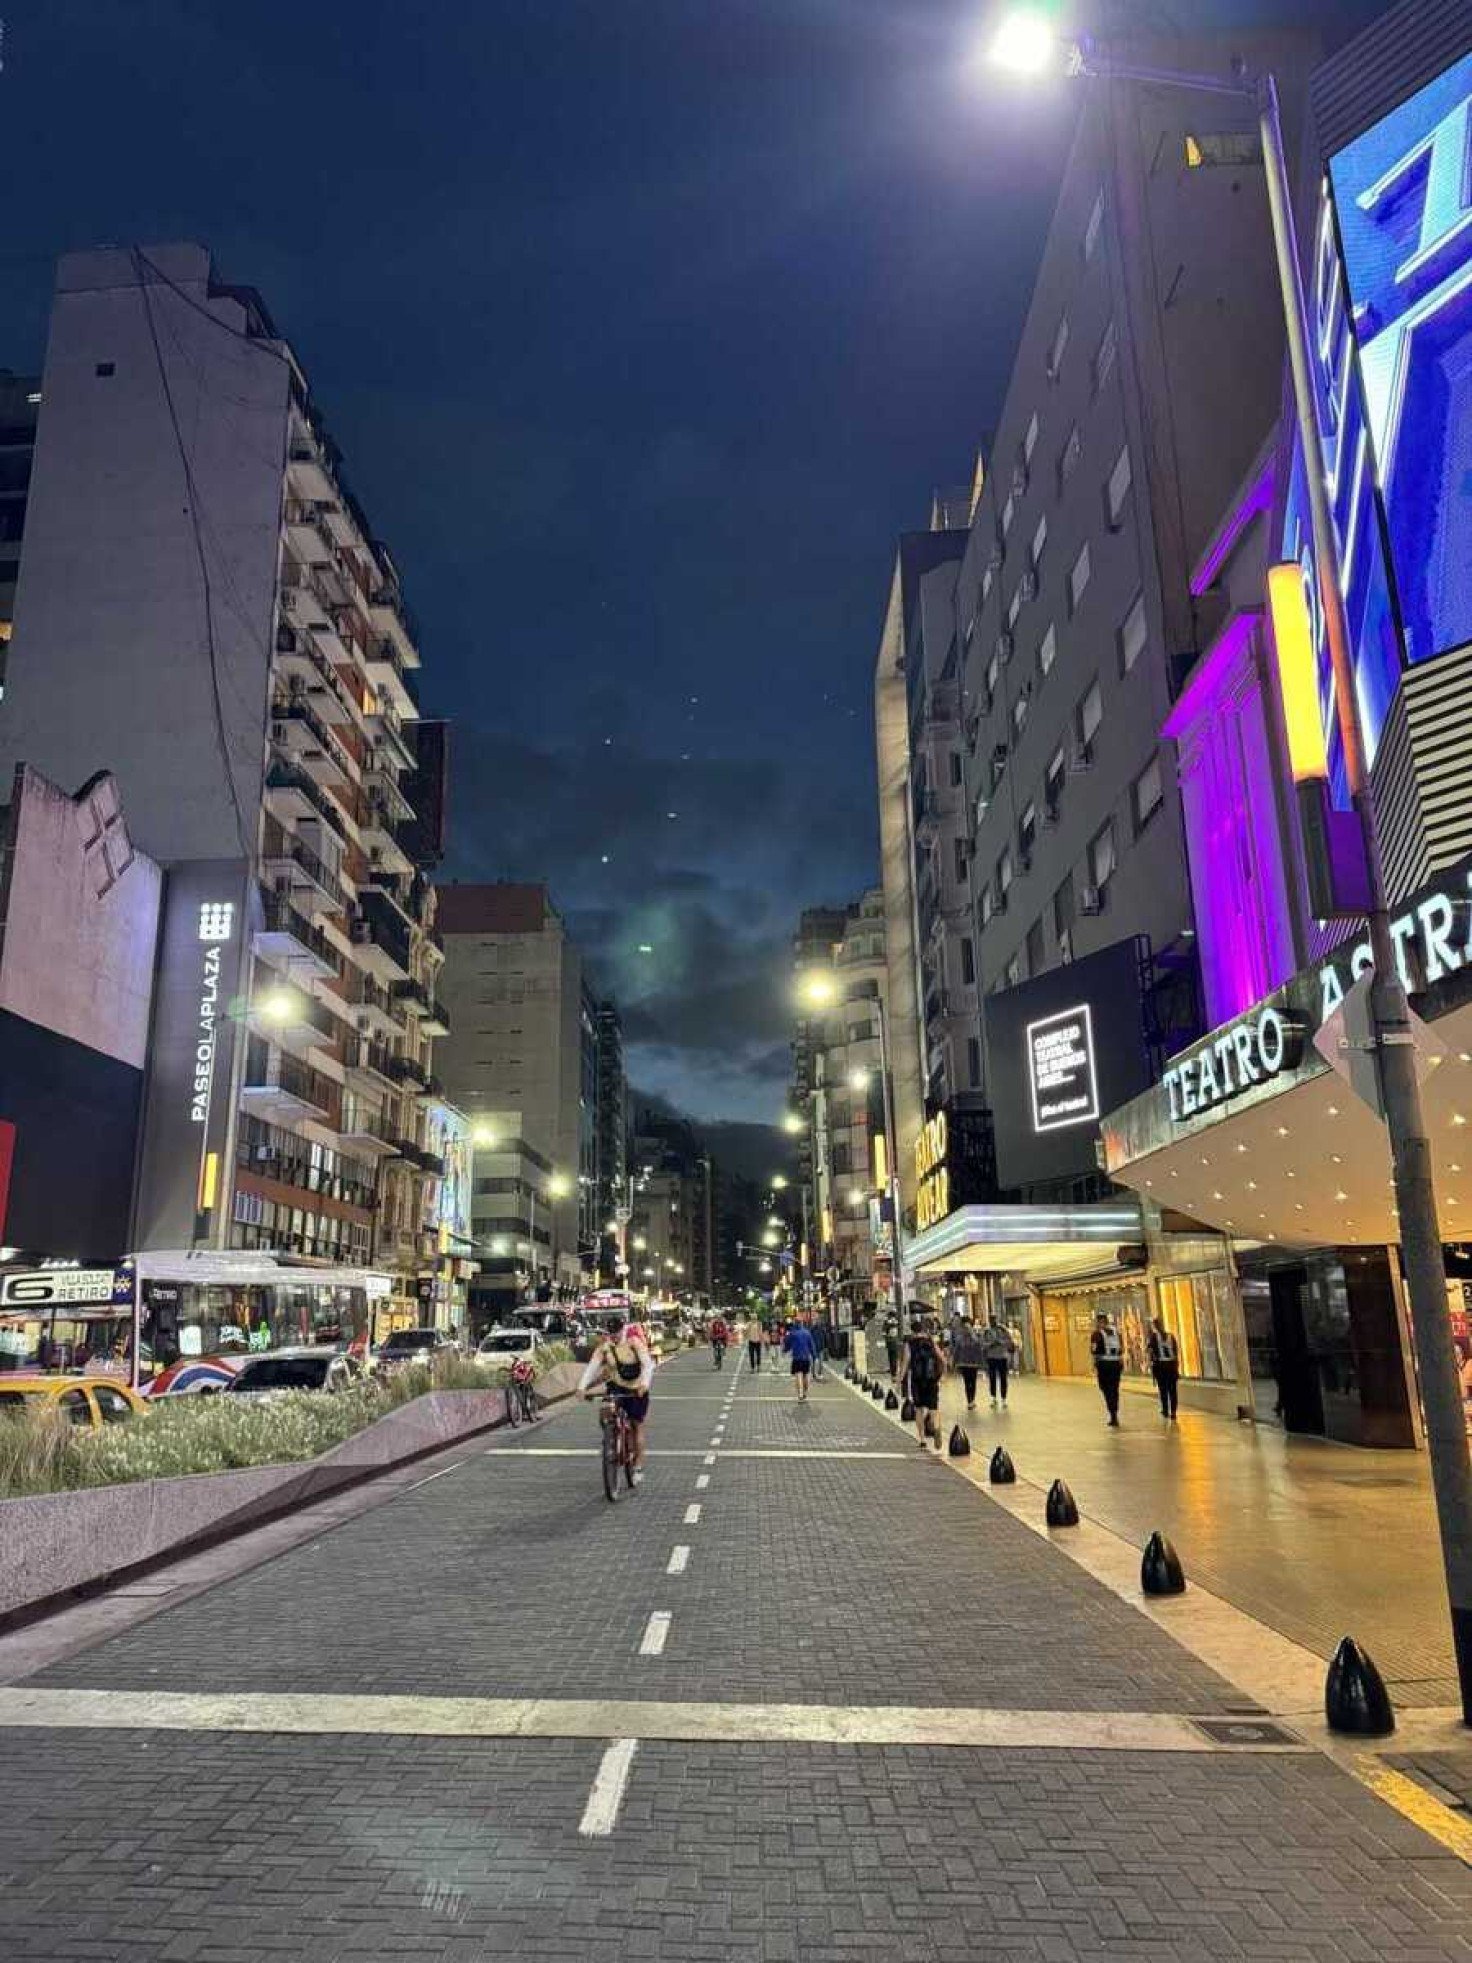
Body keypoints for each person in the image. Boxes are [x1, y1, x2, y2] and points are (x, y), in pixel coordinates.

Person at [578, 1319, 655, 1483]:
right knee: (606, 1410)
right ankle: (610, 1437)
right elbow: (592, 1367)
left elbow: (648, 1365)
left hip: (636, 1389)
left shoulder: (634, 1343)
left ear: (623, 1330)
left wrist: (644, 1385)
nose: (614, 1336)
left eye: (617, 1332)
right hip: (616, 1387)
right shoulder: (605, 1348)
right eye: (611, 1333)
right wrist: (582, 1387)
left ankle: (638, 1465)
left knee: (636, 1426)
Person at [898, 1316, 944, 1450]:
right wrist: (942, 1375)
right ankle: (936, 1427)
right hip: (931, 1379)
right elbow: (941, 1358)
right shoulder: (930, 1341)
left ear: (912, 1331)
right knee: (933, 1408)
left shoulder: (909, 1343)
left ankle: (922, 1439)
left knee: (919, 1409)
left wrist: (900, 1379)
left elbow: (906, 1362)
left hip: (917, 1380)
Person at [1090, 1309, 1124, 1427]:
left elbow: (1094, 1350)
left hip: (1104, 1365)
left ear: (1099, 1321)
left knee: (1105, 1388)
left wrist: (1094, 1364)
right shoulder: (1116, 1332)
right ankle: (1115, 1412)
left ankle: (1113, 1414)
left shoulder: (1096, 1334)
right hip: (1116, 1364)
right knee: (1114, 1389)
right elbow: (1121, 1348)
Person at [949, 1314, 984, 1412]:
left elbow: (957, 1350)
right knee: (971, 1382)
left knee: (969, 1382)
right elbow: (978, 1346)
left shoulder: (964, 1336)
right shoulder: (970, 1335)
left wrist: (954, 1363)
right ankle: (971, 1401)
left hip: (967, 1363)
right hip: (969, 1363)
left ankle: (970, 1400)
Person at [1147, 1315, 1180, 1420]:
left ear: (1154, 1326)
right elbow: (1176, 1351)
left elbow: (1150, 1351)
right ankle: (1173, 1412)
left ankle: (1165, 1410)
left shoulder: (1153, 1337)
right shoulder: (1171, 1336)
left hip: (1160, 1366)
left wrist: (1151, 1362)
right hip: (1171, 1366)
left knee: (1163, 1389)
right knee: (1172, 1390)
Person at [981, 1316, 1016, 1408]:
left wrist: (1000, 1342)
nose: (993, 1321)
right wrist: (990, 1344)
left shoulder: (1003, 1329)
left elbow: (1009, 1341)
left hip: (1002, 1357)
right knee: (992, 1379)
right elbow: (983, 1344)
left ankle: (1004, 1399)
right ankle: (993, 1398)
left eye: (994, 1319)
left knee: (1003, 1378)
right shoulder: (986, 1331)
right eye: (991, 1320)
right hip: (991, 1357)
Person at [783, 1315, 817, 1401]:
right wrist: (814, 1355)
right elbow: (811, 1344)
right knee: (806, 1375)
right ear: (802, 1323)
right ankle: (805, 1391)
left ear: (795, 1323)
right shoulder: (807, 1332)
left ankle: (800, 1394)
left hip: (797, 1357)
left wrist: (785, 1350)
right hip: (806, 1357)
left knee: (798, 1375)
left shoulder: (792, 1332)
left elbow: (787, 1343)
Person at [883, 1309, 900, 1380]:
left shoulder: (887, 1322)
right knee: (894, 1357)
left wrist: (885, 1336)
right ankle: (894, 1371)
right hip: (895, 1341)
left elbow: (884, 1332)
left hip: (890, 1341)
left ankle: (893, 1371)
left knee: (891, 1357)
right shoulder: (897, 1322)